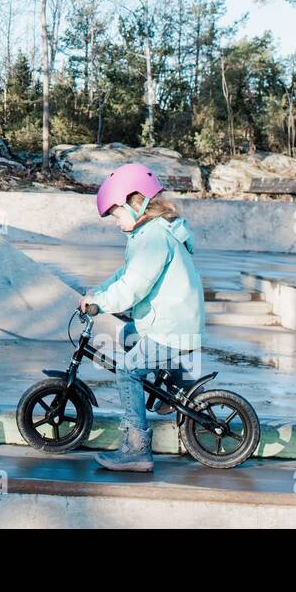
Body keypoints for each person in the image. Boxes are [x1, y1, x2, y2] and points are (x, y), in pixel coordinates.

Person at [83, 163, 205, 472]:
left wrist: (101, 305)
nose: (115, 221)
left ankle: (136, 448)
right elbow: (125, 274)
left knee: (127, 370)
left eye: (117, 213)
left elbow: (133, 288)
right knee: (127, 335)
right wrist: (97, 292)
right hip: (172, 323)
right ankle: (178, 388)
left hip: (171, 328)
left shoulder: (153, 238)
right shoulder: (149, 233)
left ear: (135, 203)